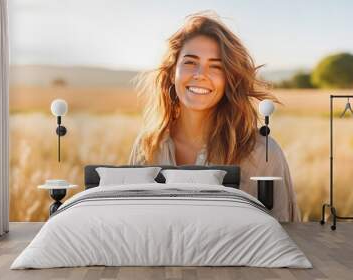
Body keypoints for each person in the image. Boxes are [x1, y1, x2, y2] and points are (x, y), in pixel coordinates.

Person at [128, 12, 300, 222]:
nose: (200, 74)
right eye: (190, 62)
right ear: (173, 72)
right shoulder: (147, 146)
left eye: (216, 66)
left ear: (229, 79)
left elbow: (285, 234)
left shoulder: (262, 153)